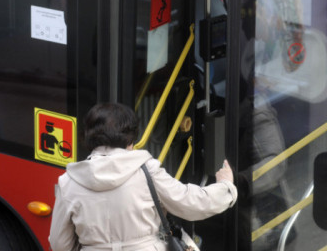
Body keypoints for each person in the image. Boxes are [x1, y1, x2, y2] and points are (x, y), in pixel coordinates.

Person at [49, 102, 237, 251]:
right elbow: (191, 203)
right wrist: (226, 186)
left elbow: (59, 243)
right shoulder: (146, 171)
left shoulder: (69, 181)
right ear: (130, 138)